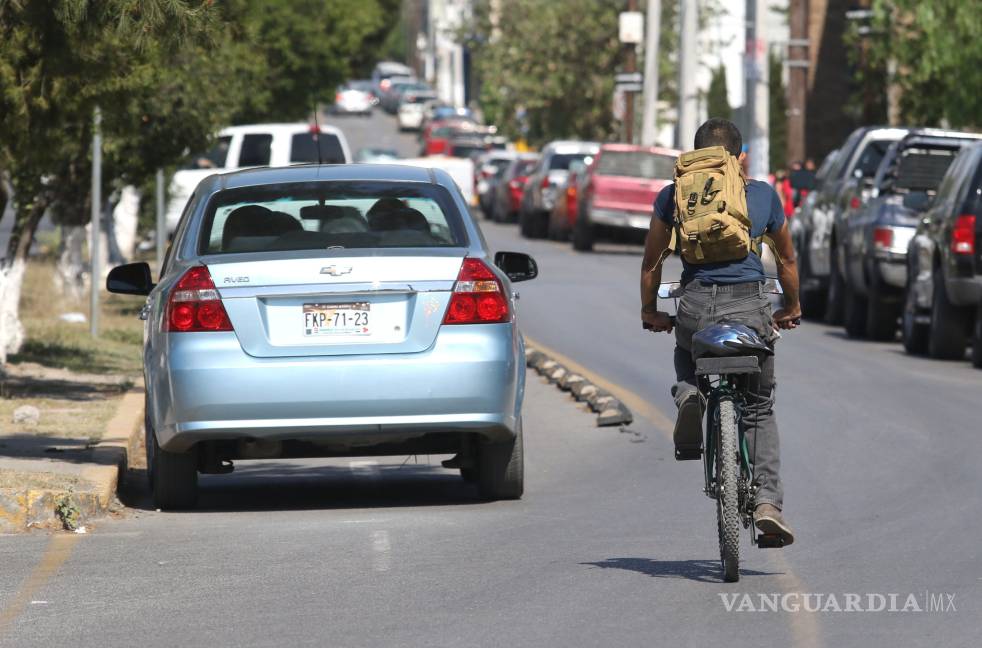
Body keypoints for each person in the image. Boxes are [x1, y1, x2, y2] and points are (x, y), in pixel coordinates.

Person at [639, 118, 801, 545]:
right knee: (759, 407)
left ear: (695, 158)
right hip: (749, 307)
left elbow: (651, 263)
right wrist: (792, 306)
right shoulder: (762, 195)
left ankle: (690, 391)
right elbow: (786, 261)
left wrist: (650, 311)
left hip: (695, 309)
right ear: (740, 158)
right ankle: (767, 503)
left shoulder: (674, 196)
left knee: (685, 351)